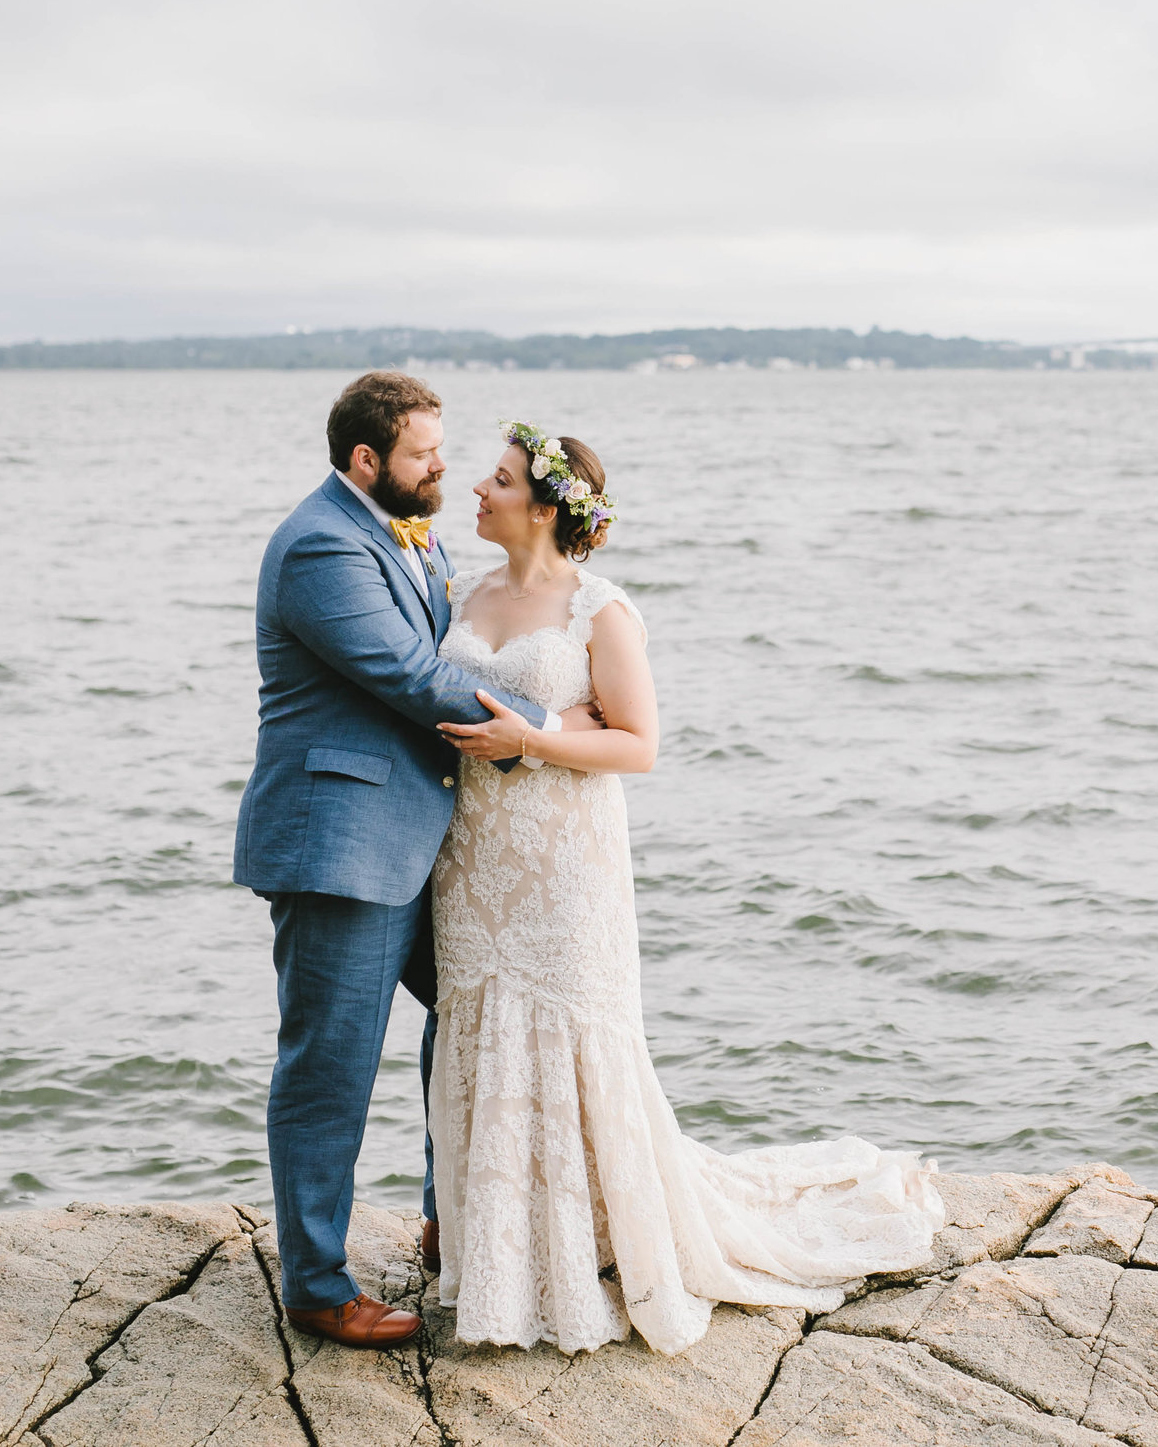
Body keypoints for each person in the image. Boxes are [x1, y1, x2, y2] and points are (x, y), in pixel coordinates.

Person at [424, 420, 942, 1354]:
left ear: (544, 506)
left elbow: (639, 744)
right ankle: (501, 1259)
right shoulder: (458, 594)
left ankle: (599, 1245)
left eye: (497, 480)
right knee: (481, 1023)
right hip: (473, 861)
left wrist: (532, 739)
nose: (476, 490)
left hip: (565, 860)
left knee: (572, 1028)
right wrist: (528, 721)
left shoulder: (600, 611)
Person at [233, 372, 598, 1349]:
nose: (444, 467)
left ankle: (453, 1223)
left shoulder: (415, 527)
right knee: (329, 1068)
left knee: (472, 1014)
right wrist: (550, 727)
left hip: (425, 841)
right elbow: (410, 674)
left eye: (444, 450)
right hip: (341, 845)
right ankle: (315, 1284)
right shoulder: (319, 544)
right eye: (424, 454)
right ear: (365, 460)